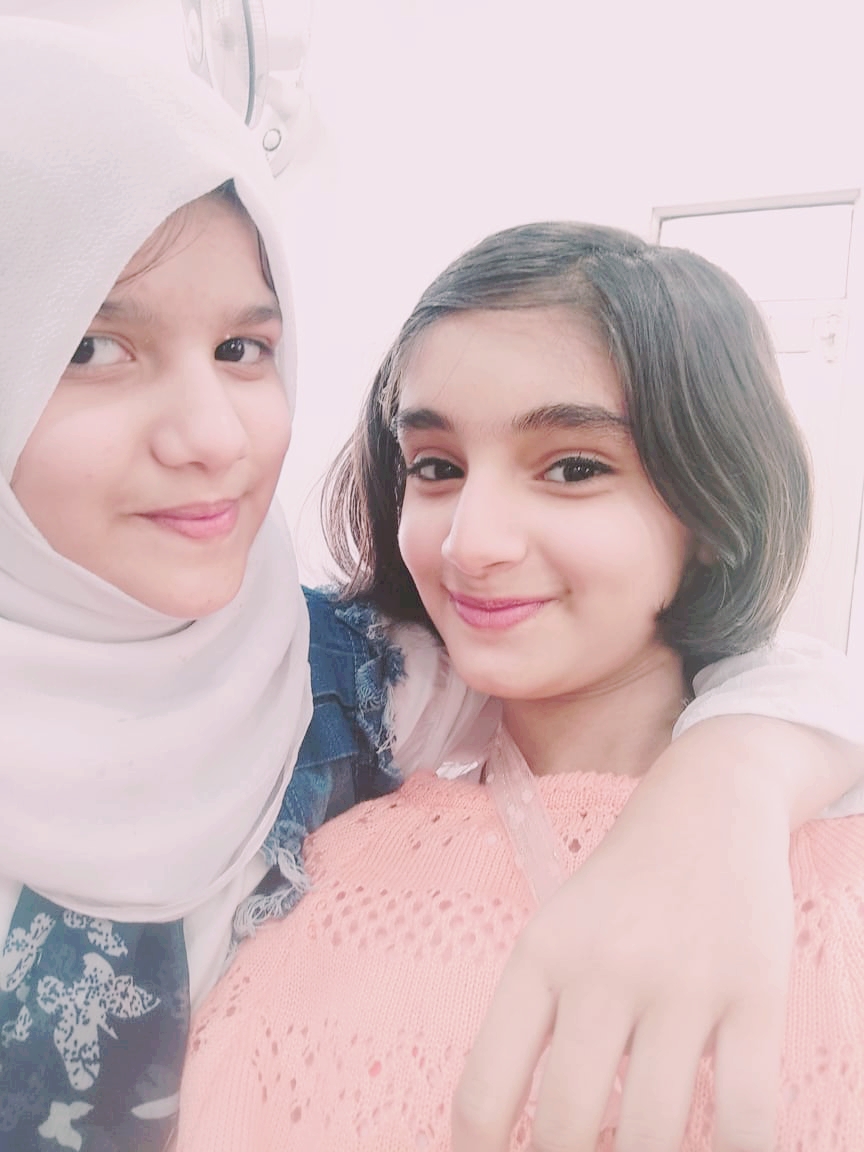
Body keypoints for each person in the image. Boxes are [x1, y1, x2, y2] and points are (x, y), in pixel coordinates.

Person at [0, 16, 861, 1152]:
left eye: (244, 348)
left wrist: (726, 790)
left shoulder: (340, 683)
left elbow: (761, 671)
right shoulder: (354, 832)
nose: (212, 438)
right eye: (90, 347)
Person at [176, 222, 864, 1152]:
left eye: (574, 468)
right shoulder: (315, 870)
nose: (472, 543)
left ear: (713, 504)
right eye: (436, 468)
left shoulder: (825, 868)